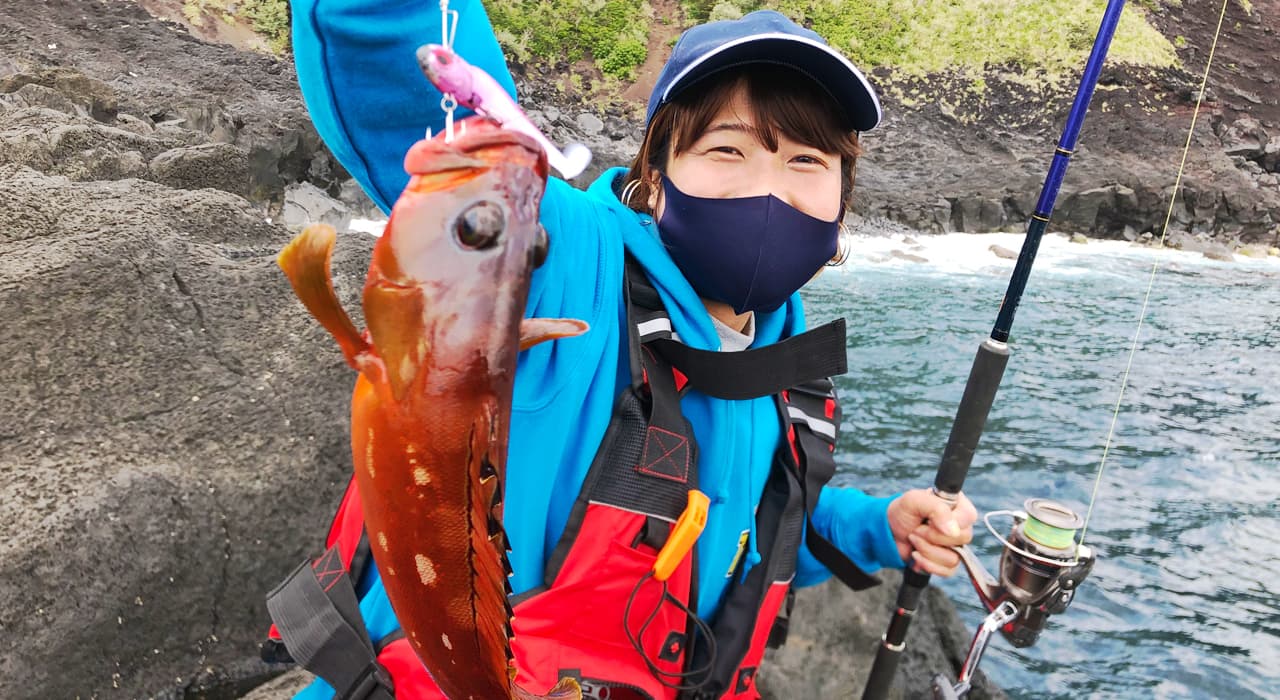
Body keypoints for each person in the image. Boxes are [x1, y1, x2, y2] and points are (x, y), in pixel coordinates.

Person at [277, 3, 979, 698]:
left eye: (805, 161)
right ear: (655, 178)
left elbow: (751, 530)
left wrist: (875, 528)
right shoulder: (563, 255)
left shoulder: (783, 360)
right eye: (727, 149)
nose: (769, 188)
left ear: (841, 201)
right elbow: (396, 60)